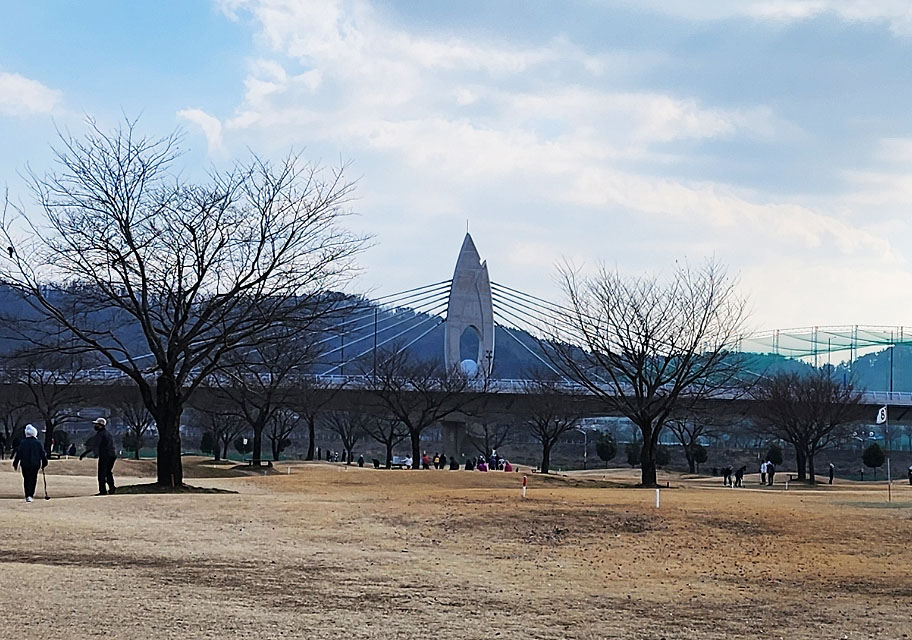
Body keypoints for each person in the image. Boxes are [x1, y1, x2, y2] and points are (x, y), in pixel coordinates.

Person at [80, 417, 117, 495]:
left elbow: (95, 445)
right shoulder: (108, 434)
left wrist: (85, 453)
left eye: (96, 424)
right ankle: (112, 488)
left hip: (105, 455)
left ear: (101, 425)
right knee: (108, 472)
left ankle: (103, 491)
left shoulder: (100, 434)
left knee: (102, 473)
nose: (95, 426)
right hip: (112, 455)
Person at [12, 425, 48, 503]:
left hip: (24, 464)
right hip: (35, 464)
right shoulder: (38, 443)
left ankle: (27, 495)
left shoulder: (23, 442)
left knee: (26, 479)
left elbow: (19, 454)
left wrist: (15, 463)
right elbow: (42, 454)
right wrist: (44, 462)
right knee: (33, 479)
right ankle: (30, 495)